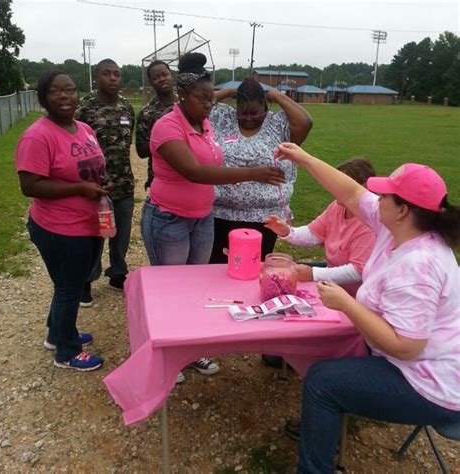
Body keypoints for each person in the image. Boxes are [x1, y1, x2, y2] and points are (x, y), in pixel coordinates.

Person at [274, 142, 460, 473]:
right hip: (411, 363)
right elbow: (348, 192)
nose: (376, 198)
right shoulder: (399, 227)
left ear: (403, 209)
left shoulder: (419, 265)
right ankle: (321, 426)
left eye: (385, 194)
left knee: (323, 382)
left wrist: (347, 303)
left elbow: (407, 347)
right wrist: (303, 157)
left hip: (428, 384)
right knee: (326, 344)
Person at [141, 52, 285, 383]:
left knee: (195, 288)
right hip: (170, 219)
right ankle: (165, 356)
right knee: (171, 289)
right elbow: (194, 171)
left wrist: (212, 96)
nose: (210, 104)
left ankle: (190, 349)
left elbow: (203, 104)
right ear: (181, 96)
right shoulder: (166, 127)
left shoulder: (202, 123)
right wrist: (252, 173)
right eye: (203, 98)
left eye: (212, 97)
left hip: (202, 218)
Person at [15, 70, 108, 371]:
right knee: (69, 289)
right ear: (43, 97)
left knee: (71, 283)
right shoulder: (38, 135)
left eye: (69, 89)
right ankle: (67, 352)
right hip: (59, 228)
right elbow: (30, 185)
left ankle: (57, 334)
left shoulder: (83, 128)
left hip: (88, 222)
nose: (65, 96)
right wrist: (80, 188)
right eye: (56, 91)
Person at [262, 157, 377, 369]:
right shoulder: (337, 206)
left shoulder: (370, 222)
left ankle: (326, 350)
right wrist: (286, 231)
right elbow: (314, 233)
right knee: (290, 279)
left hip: (360, 295)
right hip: (335, 277)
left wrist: (314, 274)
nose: (334, 189)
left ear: (361, 188)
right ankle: (290, 342)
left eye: (341, 183)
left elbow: (358, 271)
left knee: (301, 279)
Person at [208, 78, 313, 263]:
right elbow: (195, 105)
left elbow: (305, 122)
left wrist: (277, 95)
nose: (248, 117)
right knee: (218, 266)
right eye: (243, 113)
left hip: (265, 217)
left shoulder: (278, 123)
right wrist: (226, 92)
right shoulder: (223, 117)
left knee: (253, 266)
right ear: (236, 107)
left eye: (255, 113)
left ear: (265, 106)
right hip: (220, 213)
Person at [75, 59, 135, 305]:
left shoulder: (126, 107)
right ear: (97, 77)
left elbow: (126, 143)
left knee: (121, 234)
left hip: (124, 184)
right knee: (95, 235)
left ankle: (118, 274)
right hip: (96, 187)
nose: (112, 79)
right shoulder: (85, 108)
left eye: (117, 74)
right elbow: (76, 144)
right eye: (107, 74)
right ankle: (87, 280)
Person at [135, 60, 176, 190]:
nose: (162, 79)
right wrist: (164, 140)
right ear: (151, 82)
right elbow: (141, 151)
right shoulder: (147, 112)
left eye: (165, 74)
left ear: (172, 75)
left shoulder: (187, 104)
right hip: (160, 178)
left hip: (190, 175)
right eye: (156, 77)